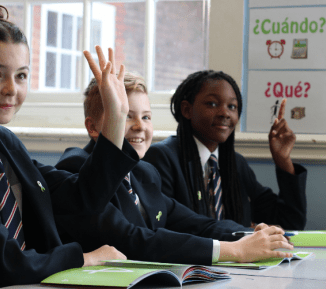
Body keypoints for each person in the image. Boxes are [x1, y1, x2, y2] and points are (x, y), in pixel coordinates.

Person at [55, 46, 294, 266]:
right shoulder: (75, 168)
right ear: (93, 127)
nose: (140, 126)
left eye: (146, 117)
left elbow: (197, 223)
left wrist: (251, 235)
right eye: (126, 115)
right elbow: (131, 239)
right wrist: (235, 250)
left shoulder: (143, 172)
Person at [0, 7, 135, 286]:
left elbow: (82, 199)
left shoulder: (7, 143)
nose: (11, 88)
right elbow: (5, 261)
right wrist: (82, 258)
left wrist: (117, 116)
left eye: (21, 75)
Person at [143, 70, 307, 230]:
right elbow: (169, 225)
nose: (225, 113)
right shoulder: (162, 157)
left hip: (236, 257)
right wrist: (241, 234)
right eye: (212, 104)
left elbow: (289, 222)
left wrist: (283, 161)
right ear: (187, 110)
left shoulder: (236, 163)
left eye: (232, 106)